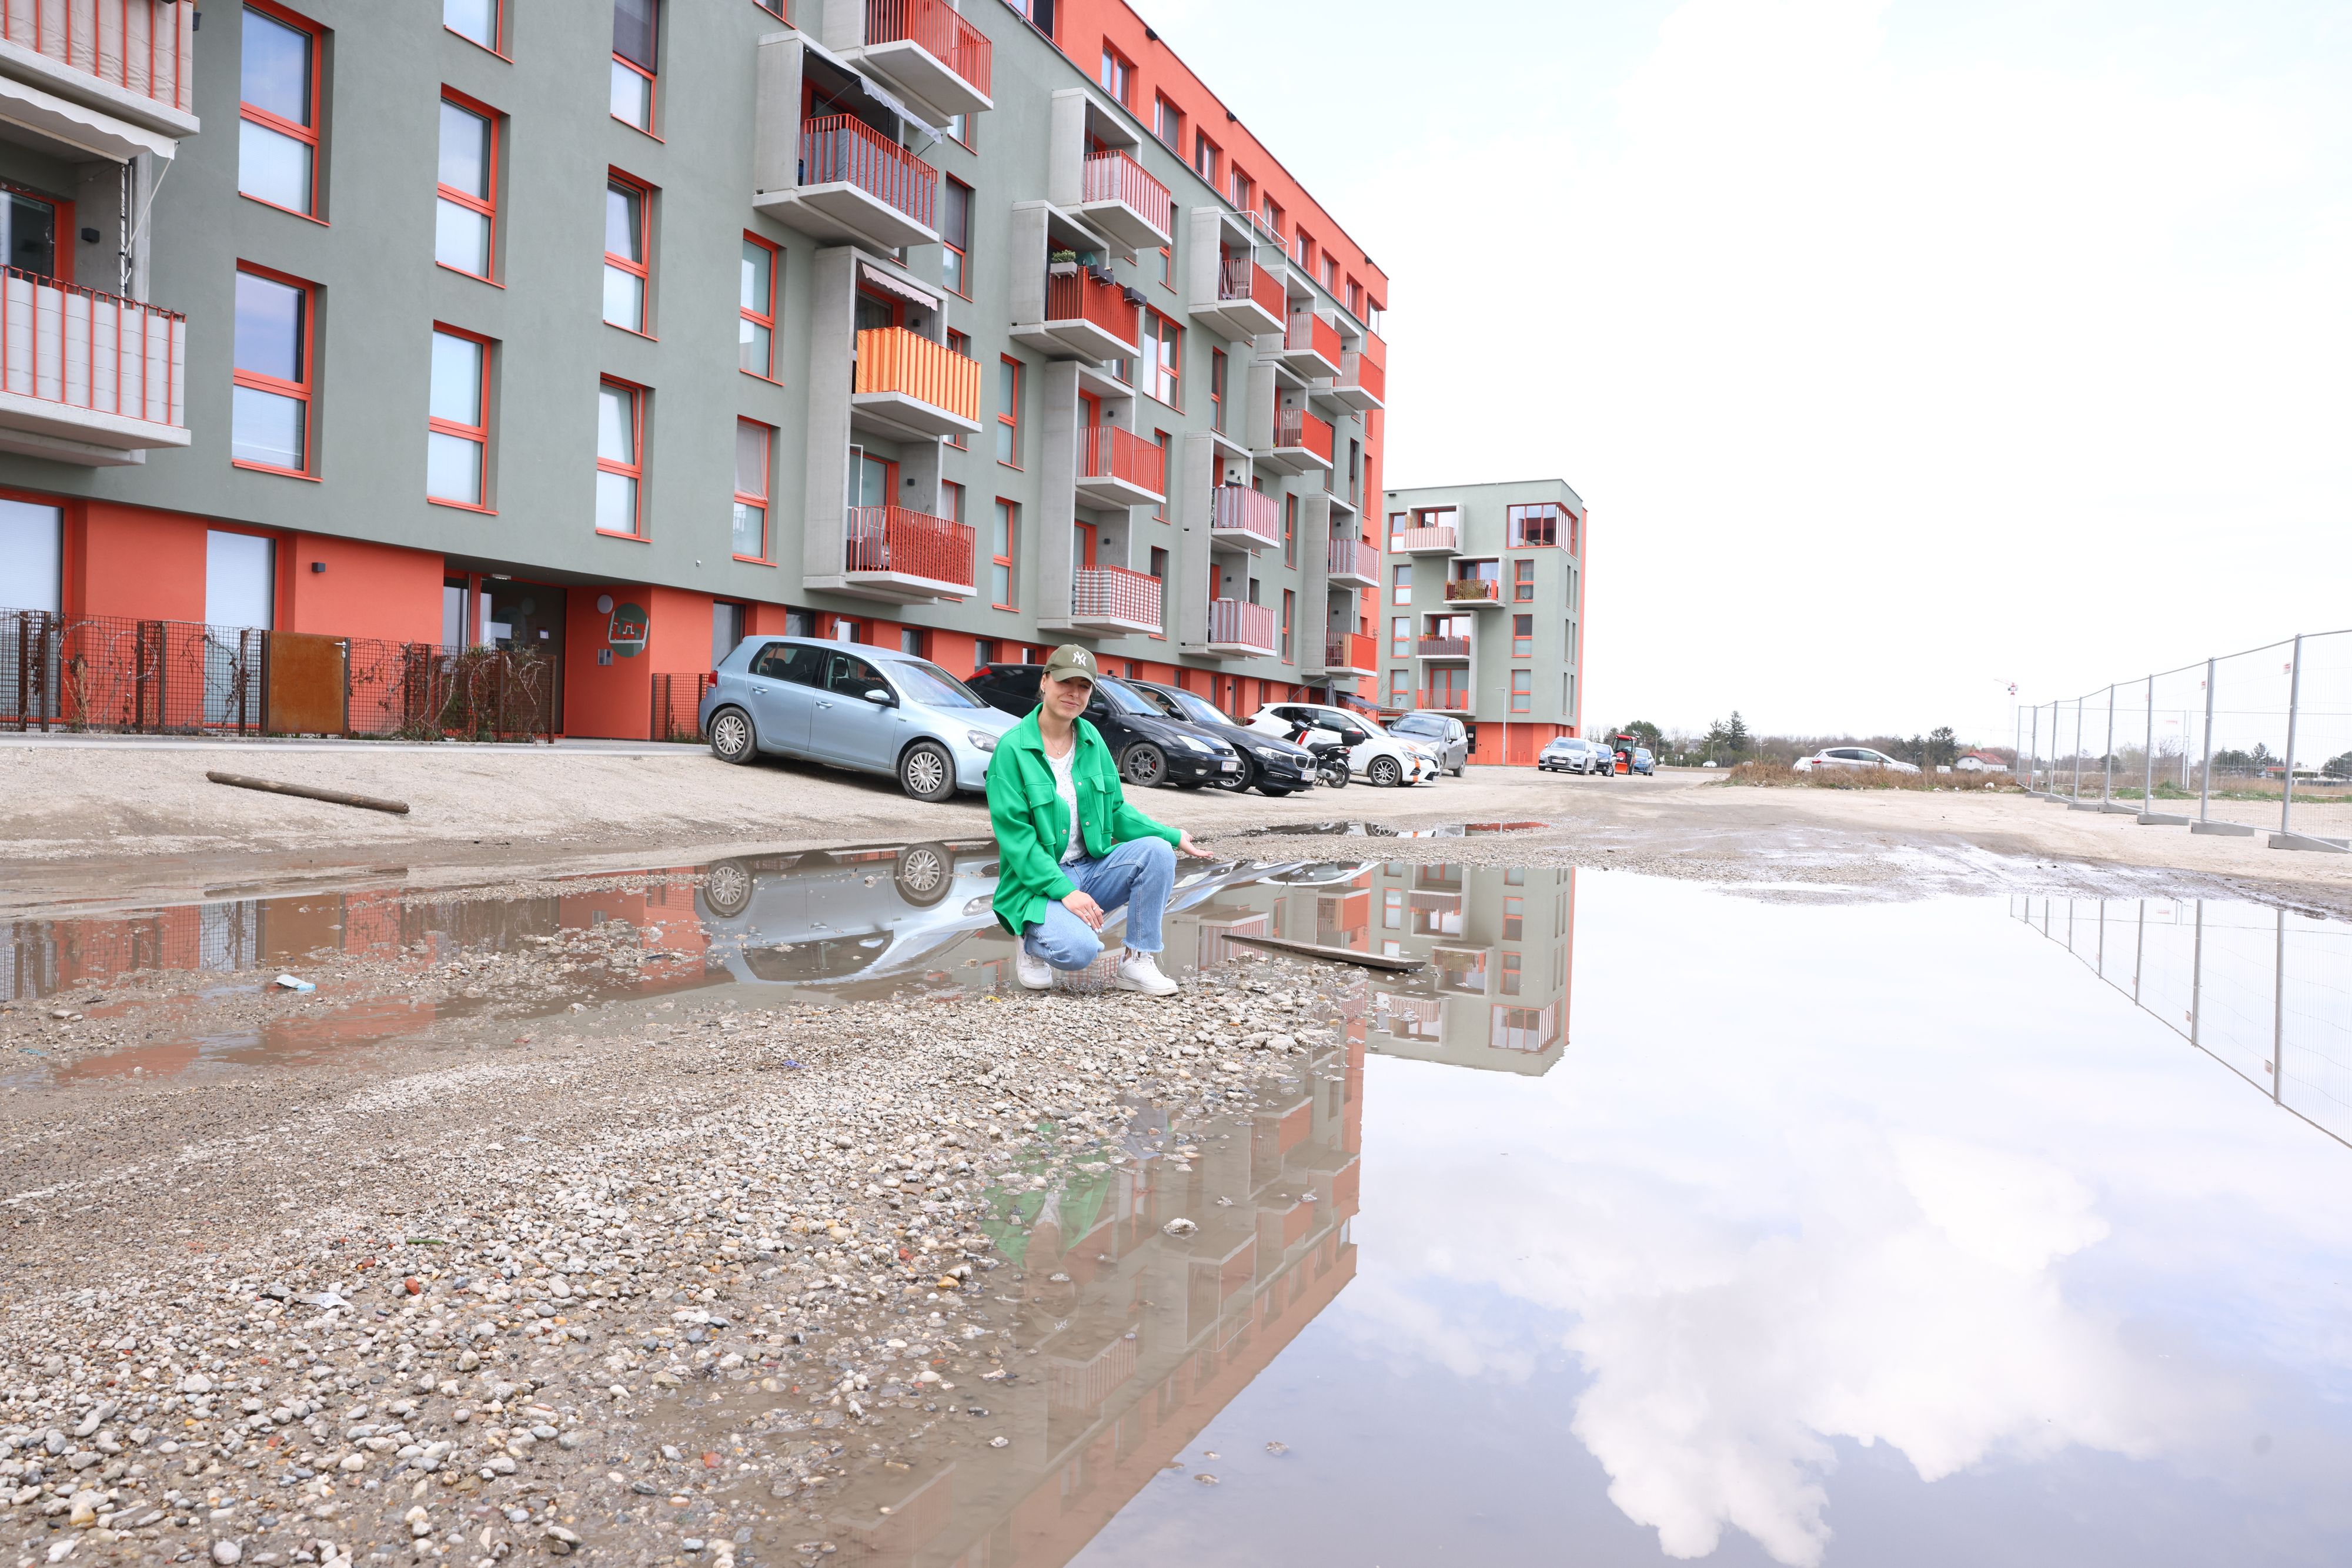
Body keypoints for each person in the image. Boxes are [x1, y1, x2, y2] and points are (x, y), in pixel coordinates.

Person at [985, 644, 1206, 995]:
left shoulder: (1091, 740)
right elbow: (1018, 839)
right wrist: (1065, 893)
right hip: (1036, 883)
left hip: (1089, 868)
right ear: (1045, 682)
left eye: (1083, 686)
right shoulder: (1012, 749)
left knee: (1157, 852)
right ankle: (1029, 940)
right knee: (1080, 950)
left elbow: (1115, 811)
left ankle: (1137, 961)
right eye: (1064, 682)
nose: (1073, 693)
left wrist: (1171, 834)